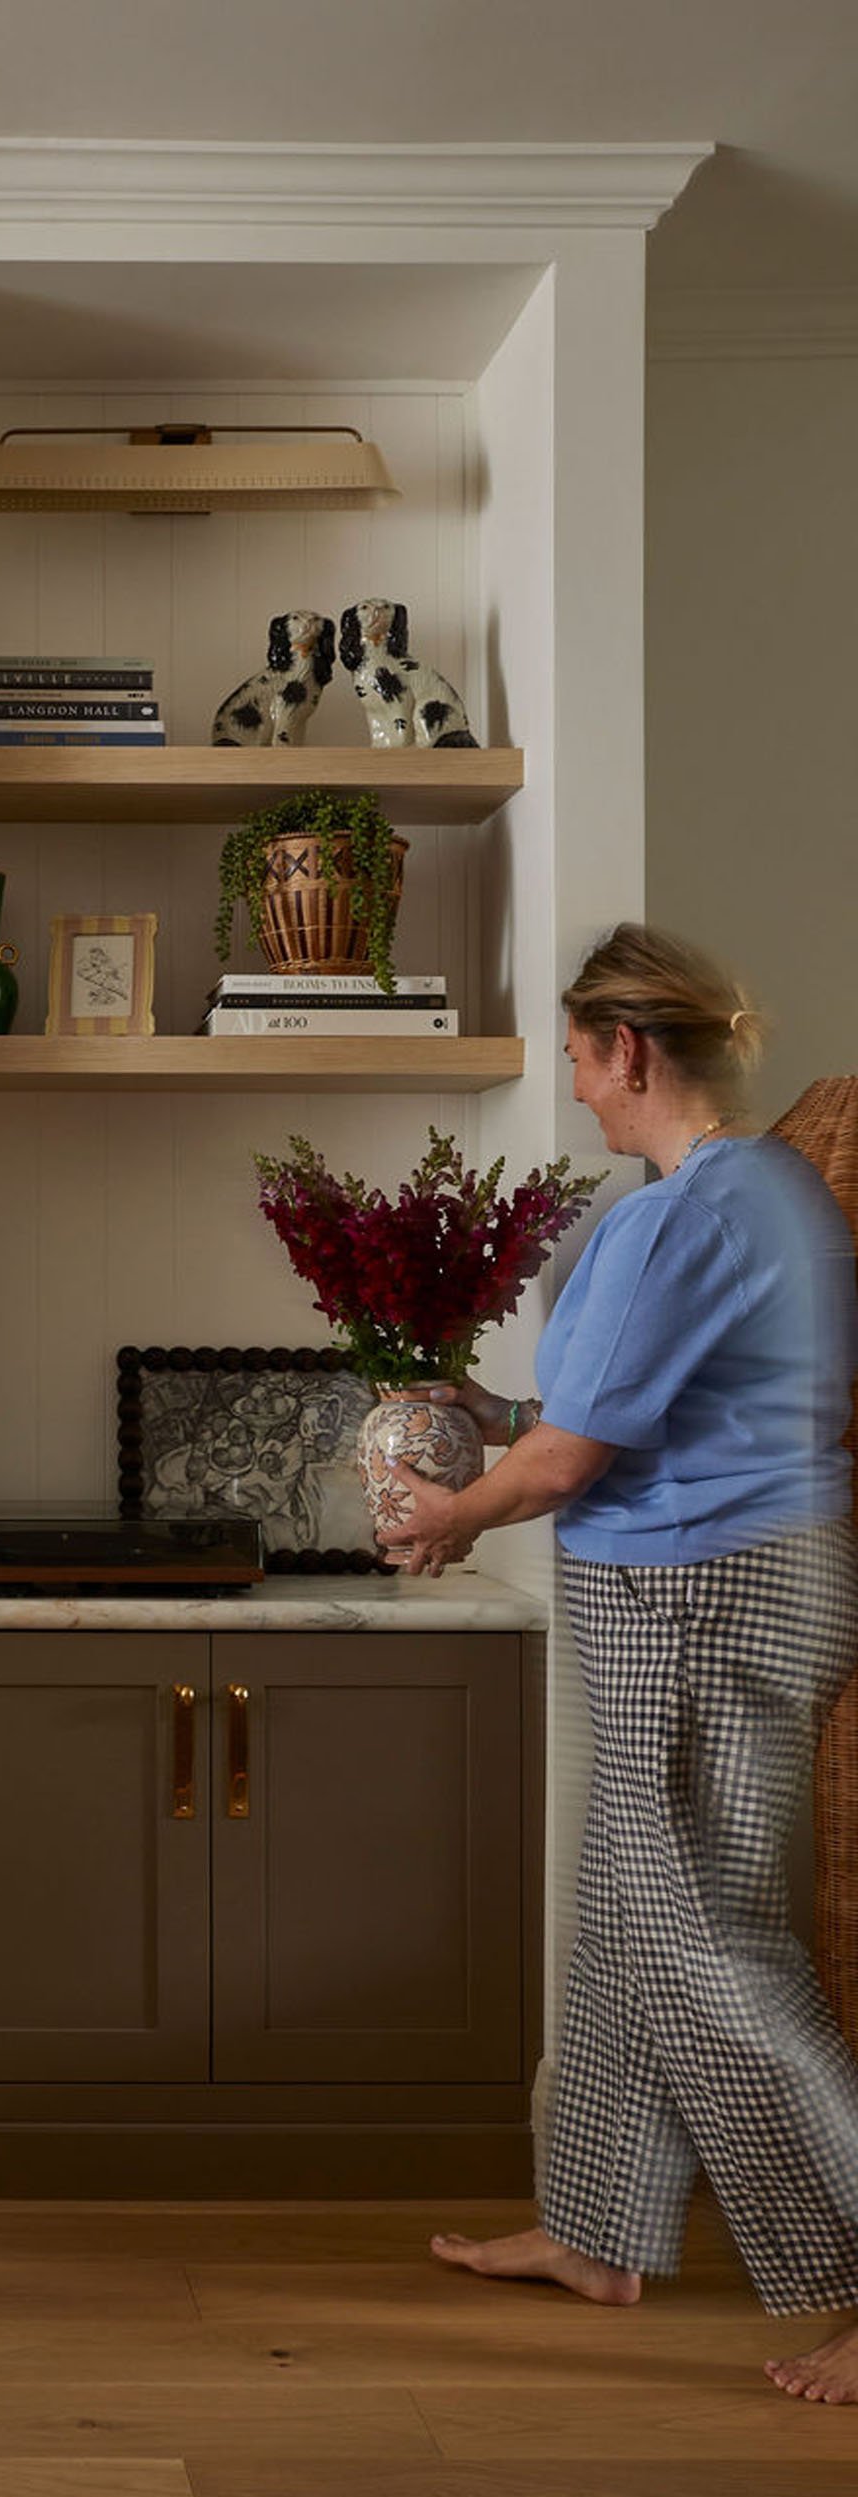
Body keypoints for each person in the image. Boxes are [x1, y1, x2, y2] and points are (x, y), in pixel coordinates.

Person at [377, 922, 858, 2400]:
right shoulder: (769, 1190)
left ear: (629, 1053)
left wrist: (457, 1512)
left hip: (698, 1600)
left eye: (581, 1064)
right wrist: (496, 1400)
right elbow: (648, 1400)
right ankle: (599, 2225)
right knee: (629, 1912)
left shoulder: (681, 1214)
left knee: (706, 1941)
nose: (579, 1093)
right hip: (750, 1579)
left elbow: (580, 1453)